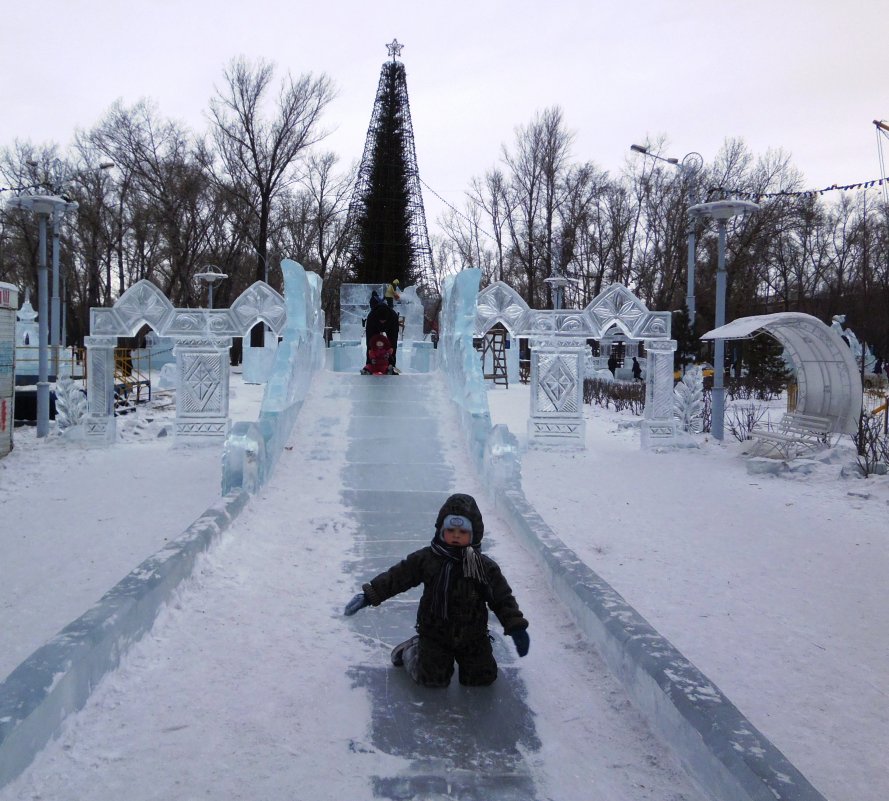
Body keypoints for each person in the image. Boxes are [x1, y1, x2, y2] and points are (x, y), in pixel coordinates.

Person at [343, 493, 530, 688]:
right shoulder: (427, 559)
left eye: (463, 531)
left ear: (474, 534)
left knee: (481, 679)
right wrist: (369, 594)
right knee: (431, 680)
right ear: (441, 530)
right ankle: (412, 649)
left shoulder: (483, 567)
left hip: (473, 635)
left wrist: (516, 627)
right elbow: (398, 577)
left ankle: (473, 661)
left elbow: (502, 599)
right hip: (435, 633)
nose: (456, 535)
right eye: (451, 529)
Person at [365, 302, 400, 370]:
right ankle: (369, 364)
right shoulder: (371, 316)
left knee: (392, 348)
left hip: (391, 326)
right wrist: (369, 348)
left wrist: (392, 347)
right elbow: (369, 336)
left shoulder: (393, 316)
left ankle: (391, 365)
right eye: (381, 321)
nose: (382, 322)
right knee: (371, 346)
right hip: (374, 326)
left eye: (384, 321)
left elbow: (394, 337)